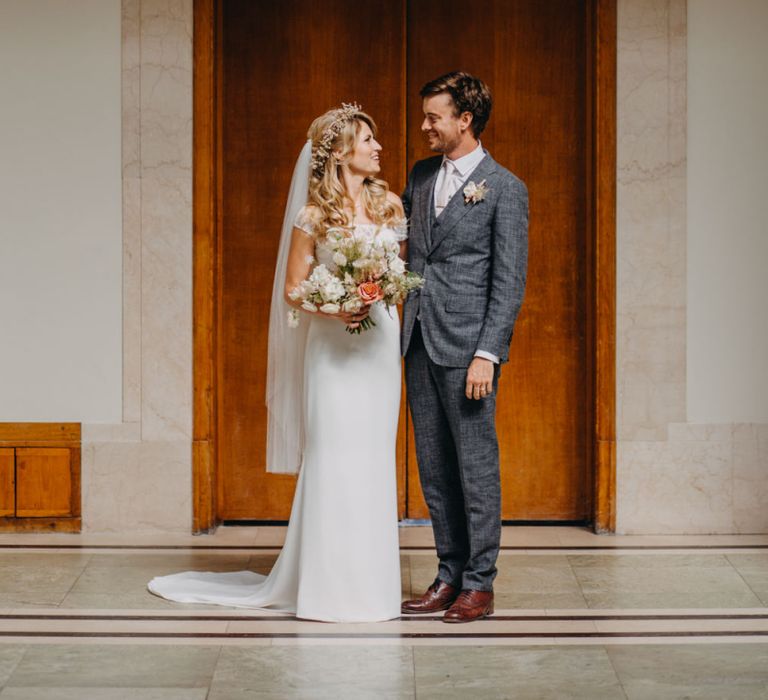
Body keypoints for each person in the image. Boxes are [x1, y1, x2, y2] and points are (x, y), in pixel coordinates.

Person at [148, 104, 407, 622]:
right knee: (333, 458)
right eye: (367, 140)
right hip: (332, 354)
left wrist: (384, 297)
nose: (378, 147)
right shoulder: (313, 215)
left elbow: (398, 279)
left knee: (374, 460)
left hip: (378, 347)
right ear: (339, 152)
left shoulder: (390, 206)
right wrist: (336, 307)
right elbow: (293, 291)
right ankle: (327, 590)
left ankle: (373, 590)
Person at [400, 71, 529, 623]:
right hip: (417, 342)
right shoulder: (422, 174)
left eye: (434, 116)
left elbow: (509, 280)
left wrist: (488, 353)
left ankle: (480, 583)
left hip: (469, 350)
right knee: (433, 468)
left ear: (464, 120)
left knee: (475, 469)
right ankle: (448, 574)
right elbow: (405, 250)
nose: (425, 125)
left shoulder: (505, 188)